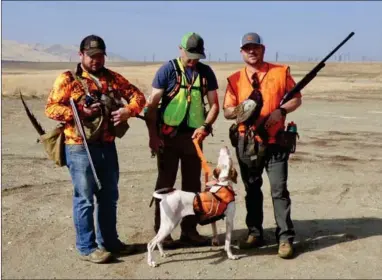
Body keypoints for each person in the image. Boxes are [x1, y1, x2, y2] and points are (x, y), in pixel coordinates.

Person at [45, 34, 146, 263]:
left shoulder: (113, 78)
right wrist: (79, 112)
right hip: (79, 147)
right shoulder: (68, 79)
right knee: (85, 198)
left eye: (100, 56)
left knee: (109, 196)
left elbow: (138, 96)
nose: (96, 61)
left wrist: (127, 111)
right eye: (91, 56)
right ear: (81, 55)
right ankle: (87, 247)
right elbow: (51, 108)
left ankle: (110, 242)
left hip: (107, 145)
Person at [223, 32, 302, 259]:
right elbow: (227, 110)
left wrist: (282, 110)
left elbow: (297, 97)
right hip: (247, 143)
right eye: (247, 48)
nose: (251, 51)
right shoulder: (235, 79)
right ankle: (255, 233)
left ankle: (285, 238)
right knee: (252, 189)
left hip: (276, 142)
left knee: (278, 190)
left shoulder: (280, 72)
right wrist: (240, 111)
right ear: (241, 52)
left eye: (255, 47)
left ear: (262, 49)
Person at [145, 32, 220, 247]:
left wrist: (206, 126)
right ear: (180, 49)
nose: (193, 59)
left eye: (197, 55)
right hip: (167, 138)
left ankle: (189, 231)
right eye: (190, 54)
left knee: (192, 186)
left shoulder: (206, 73)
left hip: (194, 138)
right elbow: (152, 106)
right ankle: (163, 234)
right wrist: (153, 136)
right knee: (165, 186)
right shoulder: (167, 70)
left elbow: (214, 104)